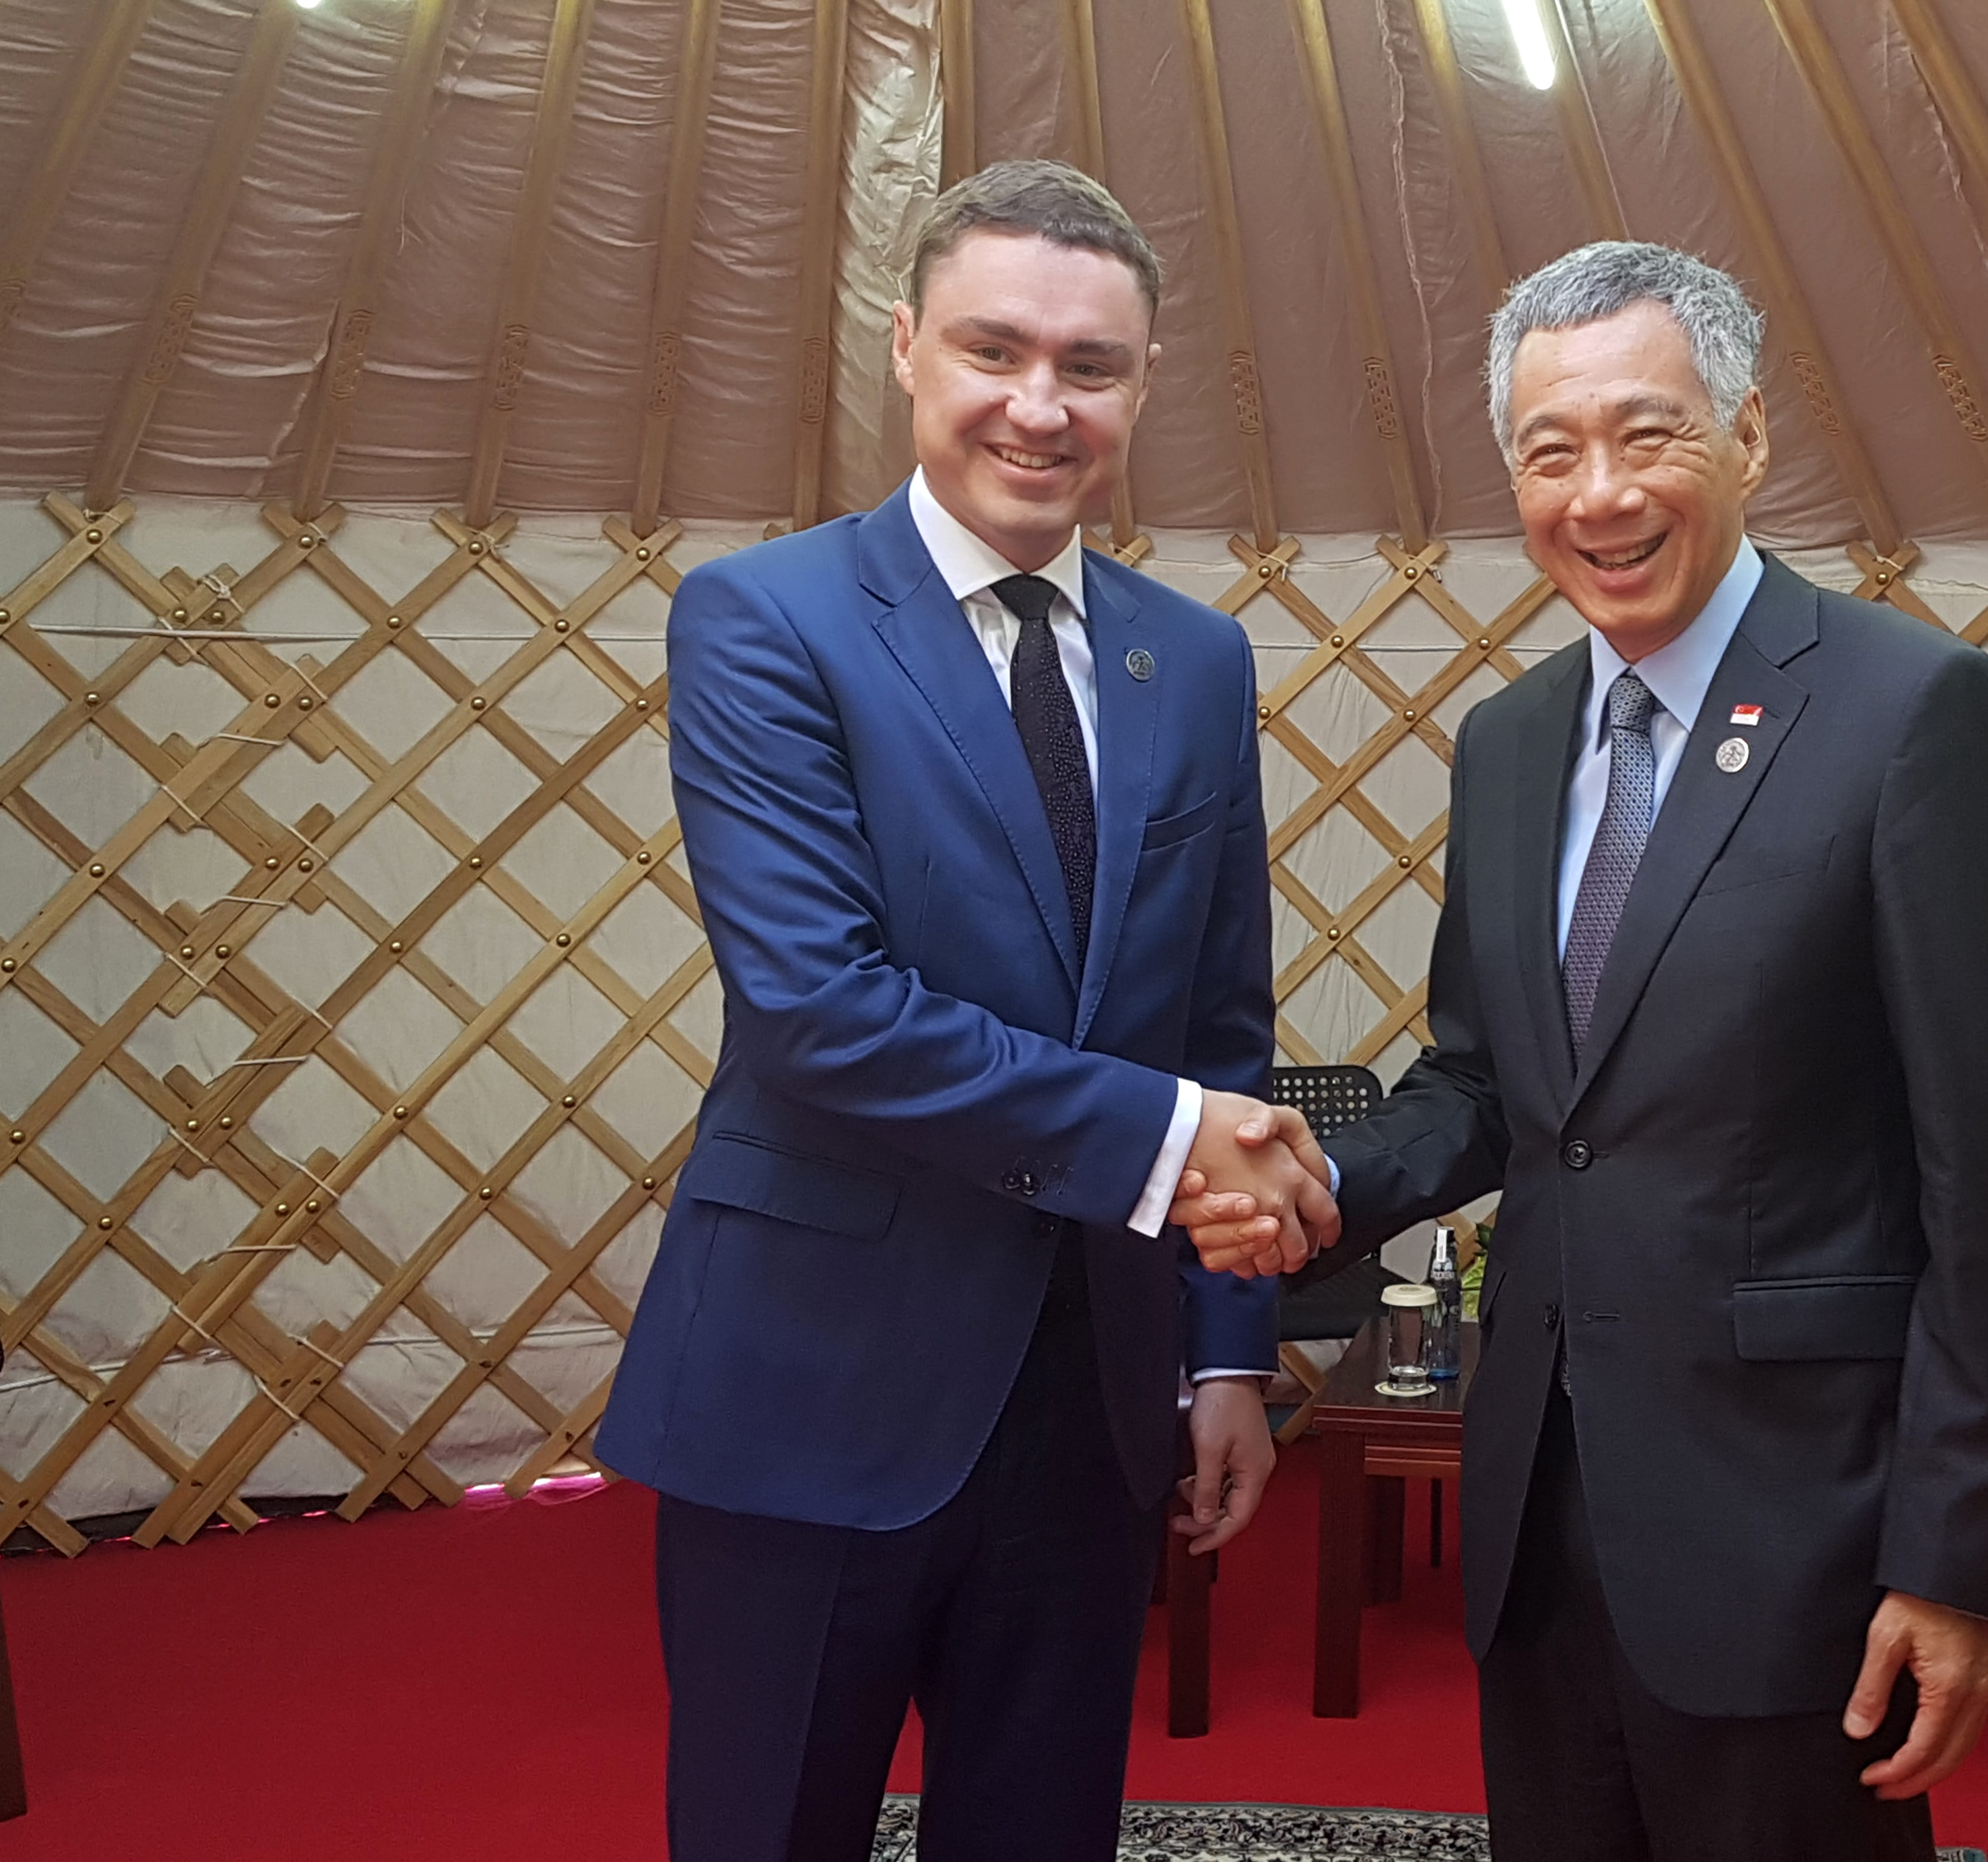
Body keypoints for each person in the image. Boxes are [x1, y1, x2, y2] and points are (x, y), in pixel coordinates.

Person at [1179, 242, 1988, 1861]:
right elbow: (1488, 1084)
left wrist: (1954, 1557)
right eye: (1549, 452)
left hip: (1796, 1518)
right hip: (1539, 1497)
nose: (1598, 495)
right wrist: (1316, 1177)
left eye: (1645, 435)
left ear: (1748, 438)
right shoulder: (1512, 740)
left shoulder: (1910, 713)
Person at [596, 160, 1333, 1862]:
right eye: (996, 349)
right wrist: (1173, 1139)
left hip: (1089, 1397)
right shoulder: (768, 619)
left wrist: (1227, 1350)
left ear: (1140, 387)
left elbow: (1218, 1018)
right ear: (907, 348)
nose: (1039, 405)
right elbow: (820, 1011)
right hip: (810, 1382)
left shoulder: (1194, 660)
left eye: (1092, 367)